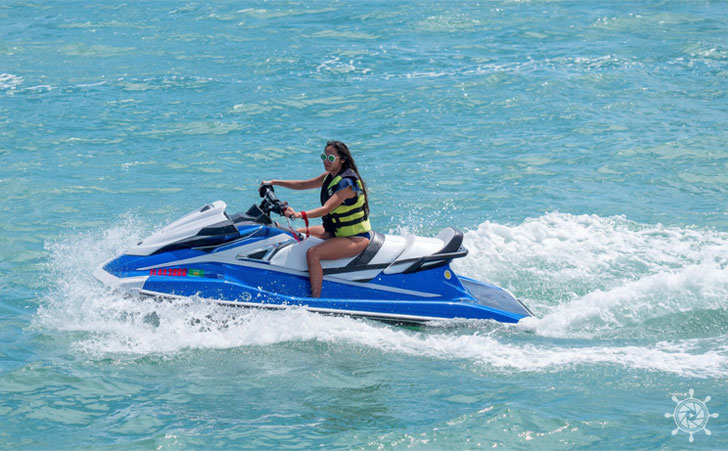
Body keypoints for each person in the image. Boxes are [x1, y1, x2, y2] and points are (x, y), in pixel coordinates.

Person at [262, 140, 372, 298]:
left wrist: (299, 214)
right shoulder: (330, 177)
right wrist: (273, 182)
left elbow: (326, 209)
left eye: (331, 158)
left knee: (313, 253)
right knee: (294, 234)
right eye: (324, 156)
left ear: (342, 159)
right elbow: (301, 185)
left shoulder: (347, 184)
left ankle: (315, 298)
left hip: (355, 238)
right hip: (336, 231)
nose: (326, 161)